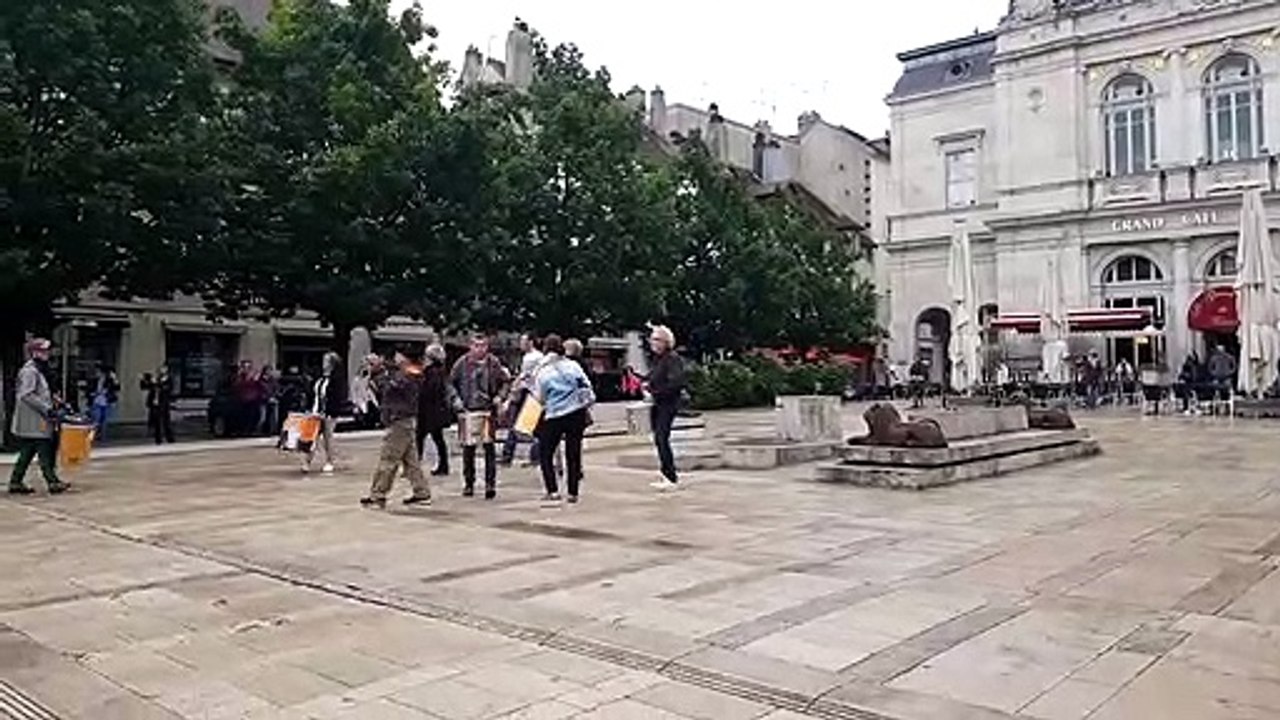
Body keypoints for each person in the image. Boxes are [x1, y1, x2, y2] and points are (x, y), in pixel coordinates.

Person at [360, 348, 432, 509]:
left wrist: (378, 372)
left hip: (399, 421)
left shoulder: (409, 374)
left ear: (405, 357)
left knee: (388, 459)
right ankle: (421, 492)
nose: (395, 357)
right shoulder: (402, 372)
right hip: (403, 420)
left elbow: (390, 388)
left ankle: (378, 494)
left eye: (398, 354)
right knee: (411, 461)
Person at [533, 335, 596, 504]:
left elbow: (539, 397)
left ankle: (552, 490)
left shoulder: (542, 371)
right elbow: (586, 386)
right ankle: (573, 492)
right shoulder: (572, 365)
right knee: (573, 453)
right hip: (576, 413)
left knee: (545, 452)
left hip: (554, 415)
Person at [450, 334, 510, 499]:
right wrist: (456, 399)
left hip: (487, 410)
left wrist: (500, 396)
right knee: (468, 449)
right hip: (468, 410)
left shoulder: (493, 363)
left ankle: (490, 484)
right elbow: (450, 382)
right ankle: (469, 483)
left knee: (489, 448)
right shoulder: (462, 363)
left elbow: (505, 381)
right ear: (470, 346)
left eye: (483, 345)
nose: (480, 349)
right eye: (476, 345)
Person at [9, 339, 69, 496]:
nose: (47, 354)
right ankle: (52, 481)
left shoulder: (40, 369)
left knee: (28, 451)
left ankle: (16, 481)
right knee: (44, 448)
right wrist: (47, 408)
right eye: (43, 351)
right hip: (35, 419)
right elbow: (26, 394)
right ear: (34, 352)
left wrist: (56, 400)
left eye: (47, 351)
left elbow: (41, 392)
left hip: (36, 419)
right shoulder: (30, 371)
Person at [645, 325, 685, 491]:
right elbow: (655, 377)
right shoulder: (658, 360)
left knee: (662, 438)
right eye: (652, 339)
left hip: (667, 404)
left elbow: (675, 383)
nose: (652, 342)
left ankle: (670, 476)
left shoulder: (672, 359)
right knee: (658, 439)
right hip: (658, 403)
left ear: (665, 341)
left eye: (656, 339)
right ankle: (666, 473)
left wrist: (654, 392)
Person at [500, 333, 544, 466]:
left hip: (526, 394)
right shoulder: (538, 356)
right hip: (534, 394)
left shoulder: (531, 358)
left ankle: (508, 455)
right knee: (532, 426)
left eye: (523, 341)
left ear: (531, 342)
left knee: (519, 425)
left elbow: (523, 378)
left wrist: (512, 393)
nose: (520, 343)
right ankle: (533, 456)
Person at [416, 343, 454, 476]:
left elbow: (429, 392)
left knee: (420, 438)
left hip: (429, 412)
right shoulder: (439, 371)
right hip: (435, 411)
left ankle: (416, 465)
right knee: (436, 439)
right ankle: (443, 465)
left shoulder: (432, 372)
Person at [305, 352, 345, 474]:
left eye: (326, 360)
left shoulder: (336, 379)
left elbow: (336, 398)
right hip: (315, 411)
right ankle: (307, 461)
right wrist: (310, 409)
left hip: (329, 413)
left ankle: (330, 461)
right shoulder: (320, 377)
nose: (323, 363)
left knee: (327, 438)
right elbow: (313, 395)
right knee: (311, 437)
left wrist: (328, 412)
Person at [141, 367, 176, 444]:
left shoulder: (168, 380)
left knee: (166, 421)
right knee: (157, 421)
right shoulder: (157, 379)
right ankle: (158, 439)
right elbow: (146, 387)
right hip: (155, 403)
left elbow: (167, 389)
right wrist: (145, 380)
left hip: (164, 403)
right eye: (160, 370)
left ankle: (169, 437)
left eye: (163, 369)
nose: (161, 371)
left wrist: (157, 383)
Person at [89, 363, 120, 441]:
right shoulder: (94, 380)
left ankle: (103, 436)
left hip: (106, 402)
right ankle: (93, 436)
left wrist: (115, 378)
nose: (96, 373)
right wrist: (92, 394)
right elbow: (90, 389)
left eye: (98, 371)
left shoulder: (109, 380)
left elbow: (117, 388)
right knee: (96, 420)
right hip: (97, 401)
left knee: (104, 421)